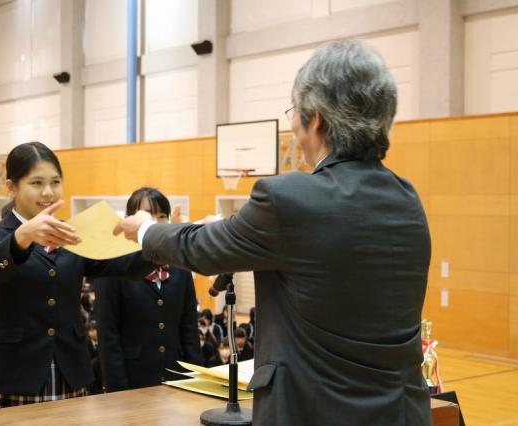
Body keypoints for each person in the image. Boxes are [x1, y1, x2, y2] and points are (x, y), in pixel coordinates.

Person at [117, 40, 431, 425]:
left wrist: (146, 229)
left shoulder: (289, 199)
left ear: (316, 119)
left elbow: (199, 249)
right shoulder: (407, 200)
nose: (293, 126)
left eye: (294, 113)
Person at [0, 141, 156, 411]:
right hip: (11, 375)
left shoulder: (73, 233)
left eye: (55, 182)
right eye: (36, 183)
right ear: (12, 187)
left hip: (71, 370)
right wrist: (23, 236)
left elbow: (130, 266)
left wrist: (155, 234)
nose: (48, 192)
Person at [95, 188, 201, 392]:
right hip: (133, 379)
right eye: (148, 216)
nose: (155, 223)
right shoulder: (112, 266)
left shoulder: (180, 266)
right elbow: (108, 336)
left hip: (176, 377)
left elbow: (189, 329)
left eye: (162, 217)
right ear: (128, 220)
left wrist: (196, 380)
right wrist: (118, 391)